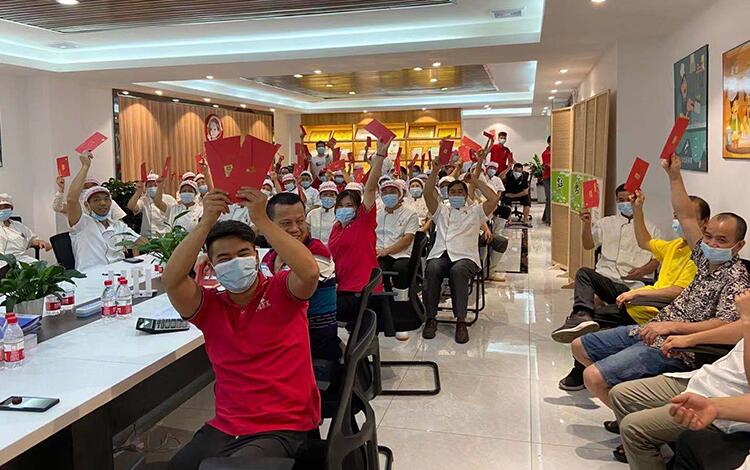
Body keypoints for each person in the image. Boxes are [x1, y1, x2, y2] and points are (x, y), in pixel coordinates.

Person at [570, 156, 750, 415]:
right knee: (579, 346)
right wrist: (674, 175)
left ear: (738, 246)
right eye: (709, 237)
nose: (711, 244)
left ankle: (633, 422)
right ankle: (630, 413)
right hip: (653, 327)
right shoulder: (703, 258)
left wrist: (672, 327)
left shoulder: (736, 280)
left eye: (721, 240)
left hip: (678, 344)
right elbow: (686, 215)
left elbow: (725, 325)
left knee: (593, 377)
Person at [163, 188, 321, 470]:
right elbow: (172, 280)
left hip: (285, 423)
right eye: (224, 258)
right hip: (227, 424)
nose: (235, 262)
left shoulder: (282, 292)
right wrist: (206, 222)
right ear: (211, 267)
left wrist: (262, 220)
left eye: (243, 253)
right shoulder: (209, 307)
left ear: (256, 257)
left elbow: (309, 271)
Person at [557, 191, 705, 392]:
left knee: (594, 321)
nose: (680, 221)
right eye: (676, 216)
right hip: (622, 288)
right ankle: (581, 315)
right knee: (585, 277)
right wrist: (637, 210)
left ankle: (583, 370)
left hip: (642, 298)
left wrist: (639, 289)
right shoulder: (675, 245)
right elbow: (644, 241)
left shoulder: (701, 258)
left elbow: (678, 290)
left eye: (686, 217)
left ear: (704, 223)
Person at [608, 291, 750, 469]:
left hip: (733, 399)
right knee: (621, 394)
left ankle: (646, 447)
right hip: (708, 377)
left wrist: (747, 321)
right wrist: (689, 339)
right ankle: (648, 453)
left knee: (633, 428)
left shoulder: (737, 282)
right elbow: (737, 328)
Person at [551, 183, 660, 344]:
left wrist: (643, 270)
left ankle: (583, 322)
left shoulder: (651, 228)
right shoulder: (606, 223)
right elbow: (588, 245)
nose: (624, 203)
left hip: (632, 286)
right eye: (620, 200)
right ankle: (581, 315)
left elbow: (657, 259)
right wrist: (586, 224)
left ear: (638, 199)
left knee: (596, 316)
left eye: (628, 199)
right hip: (606, 279)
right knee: (584, 274)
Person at [422, 161, 500, 344]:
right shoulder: (441, 210)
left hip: (466, 257)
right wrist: (435, 171)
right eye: (453, 192)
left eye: (460, 192)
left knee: (458, 271)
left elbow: (493, 199)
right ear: (448, 195)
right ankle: (431, 318)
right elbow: (427, 193)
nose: (456, 195)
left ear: (465, 195)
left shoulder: (475, 211)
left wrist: (475, 181)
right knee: (432, 268)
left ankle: (461, 321)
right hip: (441, 253)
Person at [261, 192, 340, 364]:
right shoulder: (269, 257)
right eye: (286, 223)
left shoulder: (316, 253)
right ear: (270, 226)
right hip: (281, 342)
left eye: (300, 221)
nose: (295, 228)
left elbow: (281, 299)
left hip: (312, 349)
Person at [328, 137, 387, 323]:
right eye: (340, 205)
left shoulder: (364, 222)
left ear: (357, 208)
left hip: (362, 290)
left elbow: (370, 189)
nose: (344, 209)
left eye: (349, 205)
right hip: (340, 287)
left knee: (318, 311)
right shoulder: (336, 227)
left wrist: (379, 156)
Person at [67, 152, 145, 270]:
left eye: (106, 199)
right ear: (87, 205)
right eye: (96, 200)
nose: (103, 203)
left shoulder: (118, 226)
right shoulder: (81, 223)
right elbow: (71, 200)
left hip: (118, 273)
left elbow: (141, 241)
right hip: (91, 276)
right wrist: (85, 166)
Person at [376, 180, 420, 289]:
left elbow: (407, 239)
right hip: (380, 253)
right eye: (385, 192)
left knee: (400, 269)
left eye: (392, 192)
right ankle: (381, 296)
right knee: (376, 270)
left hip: (402, 254)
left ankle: (402, 296)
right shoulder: (377, 214)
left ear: (400, 194)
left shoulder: (410, 213)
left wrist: (386, 251)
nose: (388, 195)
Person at [0, 193, 51, 271]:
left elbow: (31, 240)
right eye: (0, 208)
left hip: (21, 259)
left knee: (42, 270)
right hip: (3, 263)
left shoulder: (18, 225)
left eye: (6, 207)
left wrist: (40, 242)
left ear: (11, 209)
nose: (3, 210)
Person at [53, 175, 127, 220]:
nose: (89, 190)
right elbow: (57, 207)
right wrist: (60, 189)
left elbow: (120, 223)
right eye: (86, 187)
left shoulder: (110, 203)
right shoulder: (77, 206)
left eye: (93, 186)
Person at [502, 162, 532, 227]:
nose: (517, 173)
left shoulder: (524, 176)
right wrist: (508, 169)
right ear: (513, 170)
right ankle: (509, 220)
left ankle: (525, 220)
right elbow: (500, 177)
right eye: (516, 171)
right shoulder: (509, 174)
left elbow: (525, 192)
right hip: (509, 193)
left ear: (522, 171)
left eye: (519, 171)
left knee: (527, 203)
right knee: (507, 203)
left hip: (520, 194)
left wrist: (513, 195)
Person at [541, 136, 552, 224]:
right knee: (549, 198)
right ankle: (549, 220)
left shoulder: (557, 152)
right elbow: (548, 165)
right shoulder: (545, 153)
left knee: (551, 198)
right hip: (547, 178)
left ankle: (545, 217)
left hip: (555, 177)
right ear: (548, 143)